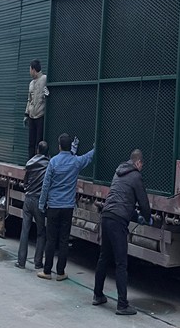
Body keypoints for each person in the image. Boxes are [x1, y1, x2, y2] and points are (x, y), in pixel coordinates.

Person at [92, 149, 151, 315]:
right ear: (138, 162)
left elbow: (122, 200)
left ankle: (97, 295)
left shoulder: (118, 172)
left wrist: (135, 216)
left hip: (107, 216)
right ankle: (122, 305)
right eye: (142, 165)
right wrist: (147, 217)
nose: (141, 167)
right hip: (118, 222)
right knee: (121, 263)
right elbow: (143, 203)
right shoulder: (136, 176)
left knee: (104, 257)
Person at [37, 133, 95, 281]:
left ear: (59, 146)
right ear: (70, 147)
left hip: (53, 206)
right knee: (64, 240)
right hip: (68, 207)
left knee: (51, 240)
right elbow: (88, 157)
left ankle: (47, 271)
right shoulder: (76, 162)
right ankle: (60, 272)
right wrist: (96, 148)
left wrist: (42, 204)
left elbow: (46, 185)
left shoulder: (53, 162)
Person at [15, 140, 50, 270]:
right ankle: (38, 262)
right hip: (39, 201)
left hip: (28, 199)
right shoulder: (49, 165)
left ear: (37, 150)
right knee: (41, 232)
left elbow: (25, 182)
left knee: (25, 230)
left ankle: (21, 262)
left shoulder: (29, 163)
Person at [24, 60, 48, 160]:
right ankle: (30, 162)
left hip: (40, 115)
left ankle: (38, 162)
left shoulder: (45, 79)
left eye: (30, 69)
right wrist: (26, 114)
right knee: (31, 142)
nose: (29, 72)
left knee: (39, 141)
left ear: (33, 70)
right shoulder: (31, 83)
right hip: (31, 116)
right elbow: (29, 100)